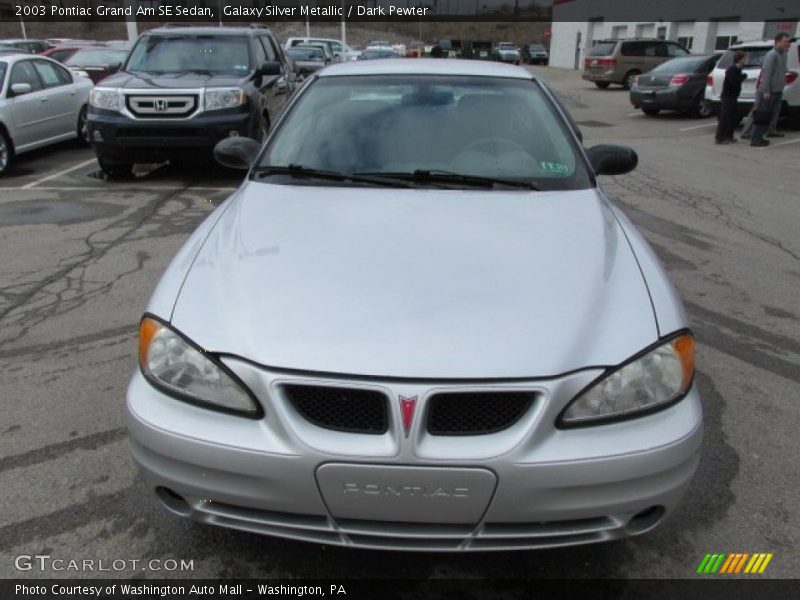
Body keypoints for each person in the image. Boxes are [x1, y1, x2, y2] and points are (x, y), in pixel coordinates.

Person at [750, 32, 791, 147]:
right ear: (778, 41)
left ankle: (761, 136)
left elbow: (782, 71)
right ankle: (755, 138)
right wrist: (766, 91)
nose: (788, 43)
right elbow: (767, 74)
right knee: (762, 115)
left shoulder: (784, 55)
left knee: (770, 116)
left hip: (778, 90)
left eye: (788, 41)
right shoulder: (771, 55)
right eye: (785, 41)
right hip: (769, 92)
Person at [715, 51, 747, 144]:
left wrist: (741, 76)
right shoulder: (733, 69)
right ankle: (720, 137)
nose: (745, 61)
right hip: (728, 96)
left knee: (734, 116)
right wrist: (742, 78)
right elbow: (734, 82)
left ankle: (729, 135)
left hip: (733, 96)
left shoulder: (738, 69)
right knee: (725, 117)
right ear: (740, 59)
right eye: (744, 59)